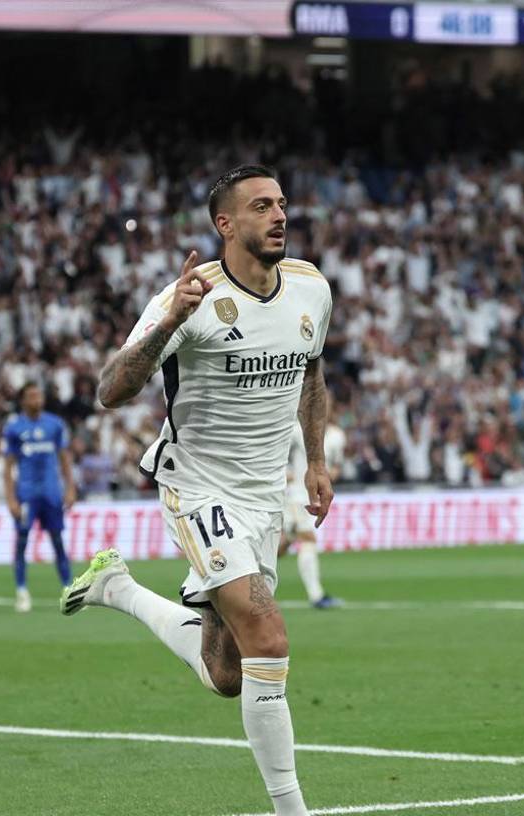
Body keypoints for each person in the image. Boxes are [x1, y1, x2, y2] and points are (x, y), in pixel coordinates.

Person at [63, 165, 333, 816]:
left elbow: (311, 370)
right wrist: (169, 325)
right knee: (267, 637)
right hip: (199, 489)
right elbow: (110, 391)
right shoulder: (187, 298)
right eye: (261, 206)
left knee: (227, 671)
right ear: (226, 224)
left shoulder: (310, 288)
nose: (279, 215)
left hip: (267, 493)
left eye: (281, 204)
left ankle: (117, 588)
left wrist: (315, 461)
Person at [2, 383, 77, 612]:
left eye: (39, 395)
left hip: (51, 493)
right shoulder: (14, 428)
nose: (37, 399)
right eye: (32, 396)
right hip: (26, 495)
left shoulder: (54, 425)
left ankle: (69, 590)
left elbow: (64, 458)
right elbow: (8, 466)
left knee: (58, 542)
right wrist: (11, 499)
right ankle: (22, 591)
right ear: (23, 401)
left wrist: (70, 488)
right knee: (22, 542)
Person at [281, 419, 341, 609]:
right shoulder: (294, 430)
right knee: (308, 539)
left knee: (282, 545)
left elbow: (336, 467)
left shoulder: (337, 436)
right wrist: (285, 473)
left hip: (312, 496)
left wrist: (328, 475)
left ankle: (242, 578)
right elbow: (279, 456)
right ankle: (317, 596)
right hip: (295, 494)